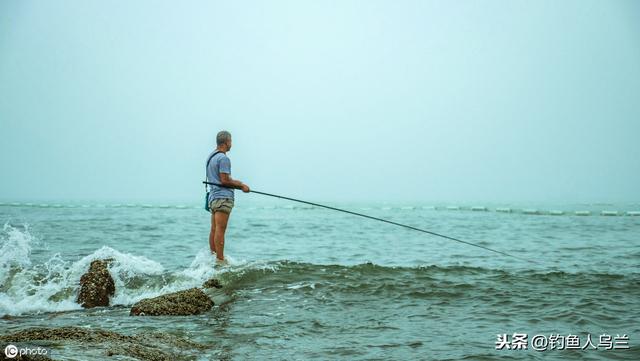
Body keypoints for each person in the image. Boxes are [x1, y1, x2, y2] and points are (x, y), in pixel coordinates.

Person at [206, 130, 250, 263]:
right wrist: (241, 185)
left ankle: (214, 257)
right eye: (230, 141)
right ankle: (220, 260)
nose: (231, 144)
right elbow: (224, 180)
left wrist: (236, 183)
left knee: (214, 229)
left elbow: (221, 178)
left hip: (213, 197)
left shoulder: (211, 157)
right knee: (220, 229)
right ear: (226, 142)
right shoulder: (223, 158)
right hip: (223, 198)